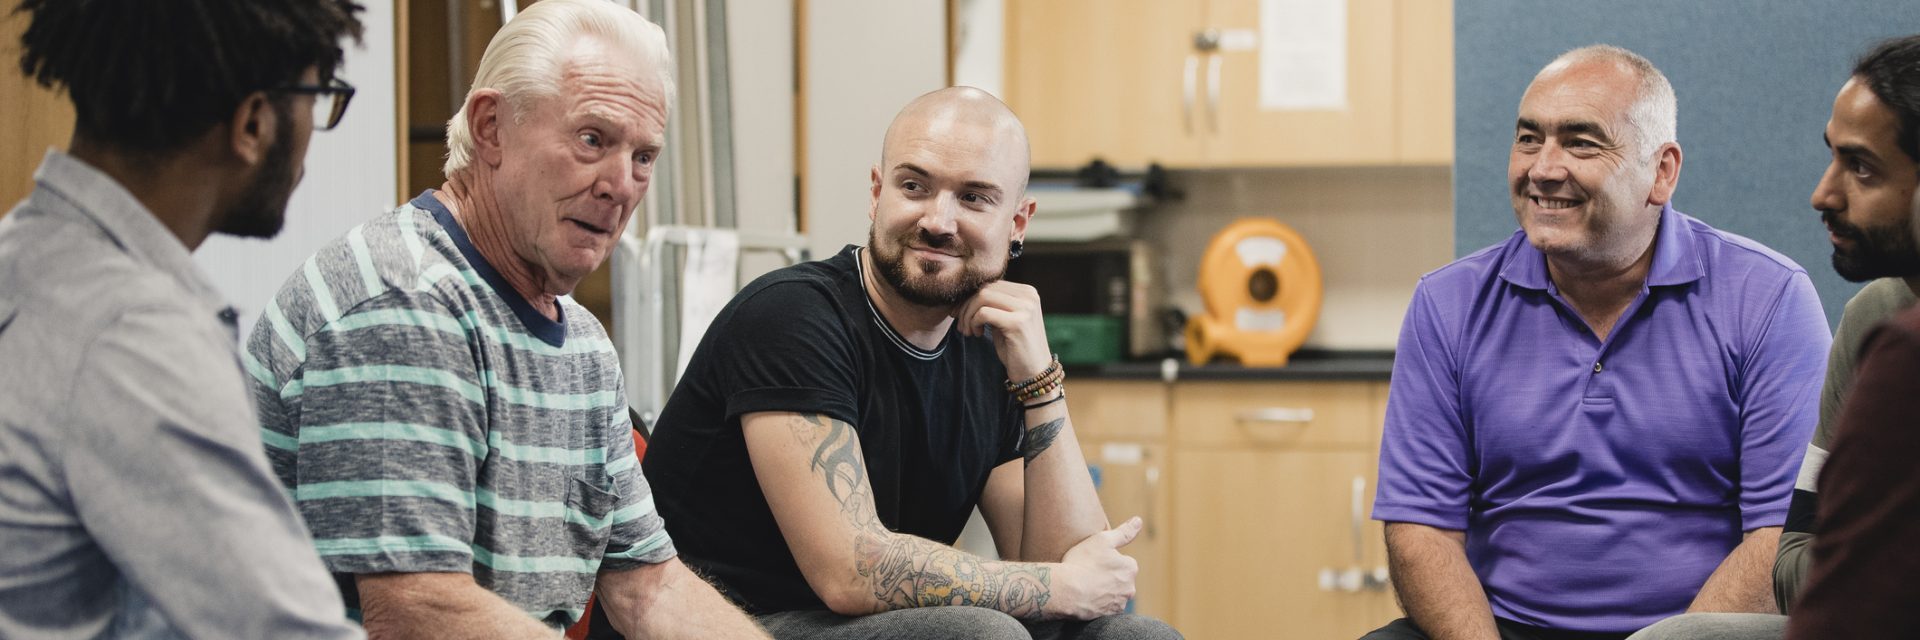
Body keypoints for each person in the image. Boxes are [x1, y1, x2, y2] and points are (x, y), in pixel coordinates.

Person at [242, 1, 765, 637]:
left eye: (644, 157)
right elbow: (415, 613)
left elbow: (649, 587)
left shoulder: (582, 344)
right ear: (491, 128)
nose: (620, 185)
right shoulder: (404, 301)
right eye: (592, 139)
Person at [641, 87, 1181, 640]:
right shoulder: (791, 316)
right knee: (983, 636)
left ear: (1018, 222)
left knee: (1134, 637)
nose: (938, 221)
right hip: (728, 624)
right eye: (914, 186)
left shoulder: (989, 347)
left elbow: (1067, 575)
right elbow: (851, 570)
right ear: (877, 194)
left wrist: (1039, 379)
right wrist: (1060, 586)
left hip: (863, 624)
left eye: (974, 198)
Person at [1365, 45, 1830, 639]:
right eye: (1529, 138)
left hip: (1695, 632)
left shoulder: (1767, 297)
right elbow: (1421, 527)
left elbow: (1780, 537)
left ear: (1662, 172)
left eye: (1581, 142)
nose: (1543, 168)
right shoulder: (1447, 304)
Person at [0, 0, 366, 638]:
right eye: (317, 97)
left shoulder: (23, 256)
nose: (314, 126)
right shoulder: (133, 335)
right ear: (252, 122)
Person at [1628, 33, 1920, 640]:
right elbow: (1796, 551)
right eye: (1832, 157)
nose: (1823, 193)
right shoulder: (1875, 320)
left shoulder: (1898, 349)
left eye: (1861, 167)